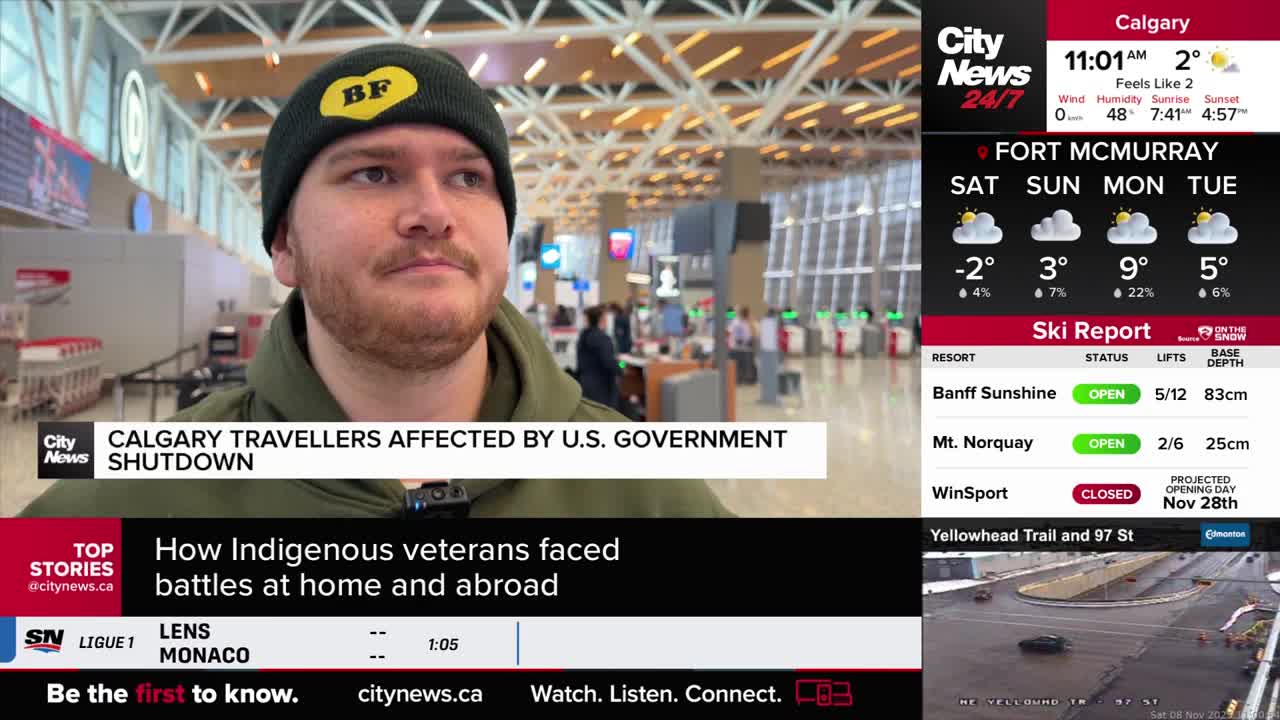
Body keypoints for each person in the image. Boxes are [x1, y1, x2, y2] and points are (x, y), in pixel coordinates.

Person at [20, 43, 731, 519]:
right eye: (373, 173)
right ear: (285, 246)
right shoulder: (120, 513)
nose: (434, 212)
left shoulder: (647, 497)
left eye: (468, 178)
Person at [576, 306, 620, 409]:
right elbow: (610, 364)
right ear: (601, 319)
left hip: (585, 384)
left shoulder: (583, 336)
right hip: (601, 388)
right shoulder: (603, 339)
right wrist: (622, 365)